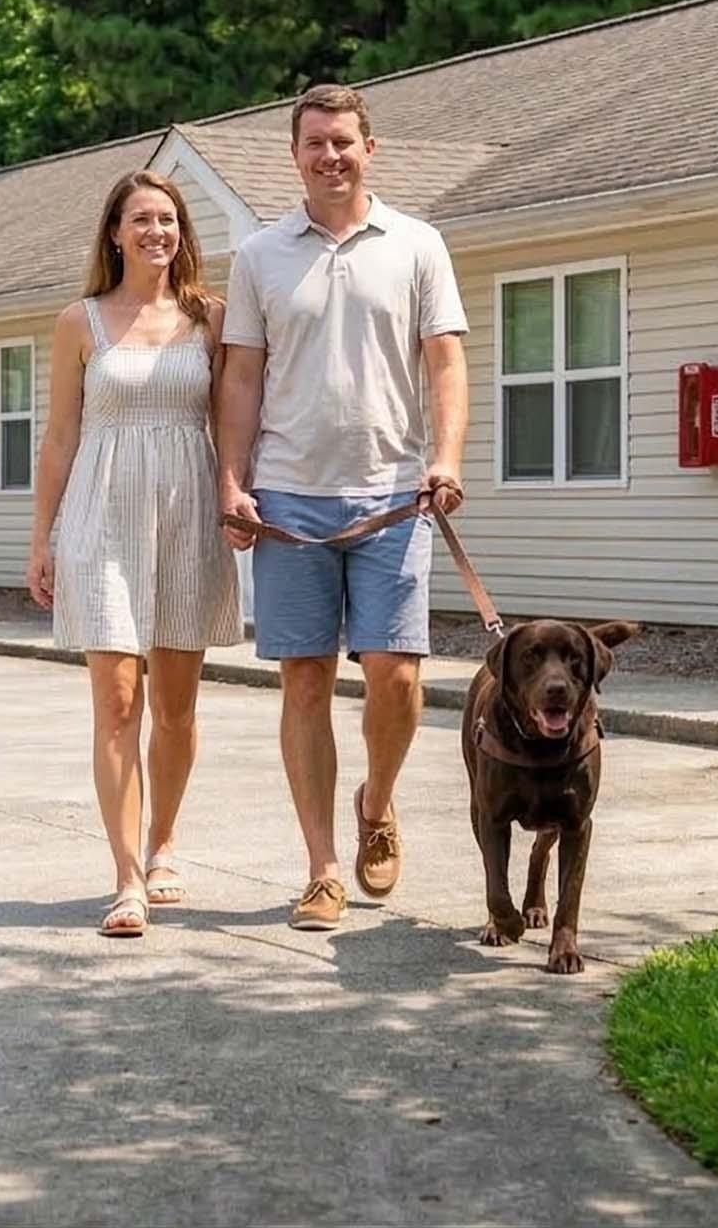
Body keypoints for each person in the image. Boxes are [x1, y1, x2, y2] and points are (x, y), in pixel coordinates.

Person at [217, 84, 469, 932]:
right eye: (315, 143)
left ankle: (379, 801)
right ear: (295, 156)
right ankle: (322, 868)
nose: (331, 155)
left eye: (344, 142)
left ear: (372, 149)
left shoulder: (418, 245)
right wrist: (232, 480)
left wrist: (445, 460)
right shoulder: (259, 254)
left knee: (396, 677)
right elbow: (242, 378)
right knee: (305, 682)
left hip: (393, 495)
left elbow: (445, 366)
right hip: (289, 495)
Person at [27, 169, 244, 938]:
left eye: (169, 219)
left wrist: (236, 497)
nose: (157, 231)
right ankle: (125, 878)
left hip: (186, 514)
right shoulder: (78, 323)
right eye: (141, 219)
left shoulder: (211, 319)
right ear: (114, 233)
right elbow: (58, 439)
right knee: (118, 703)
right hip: (102, 518)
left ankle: (164, 845)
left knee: (177, 709)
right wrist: (42, 539)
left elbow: (232, 427)